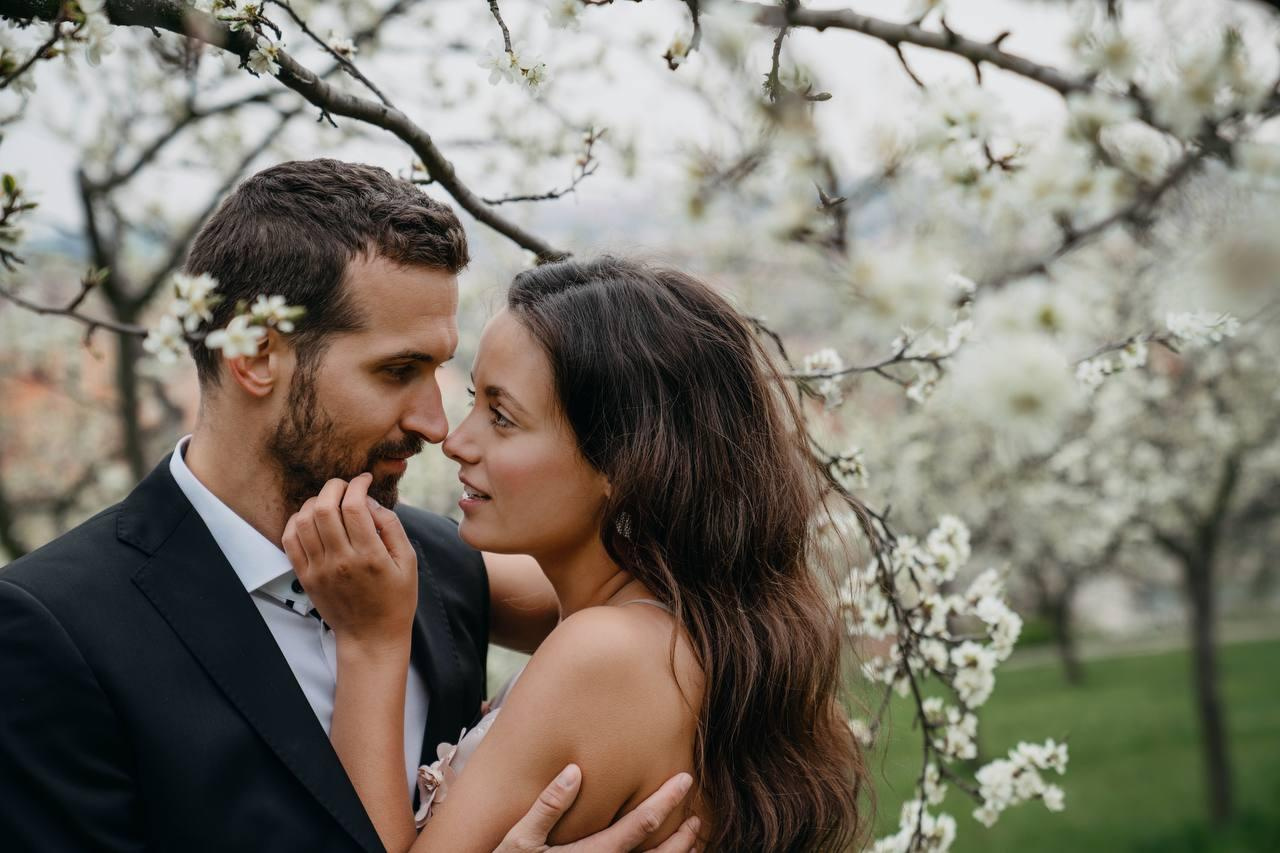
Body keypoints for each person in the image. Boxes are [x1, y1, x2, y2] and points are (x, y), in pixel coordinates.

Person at [0, 161, 697, 852]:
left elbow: (672, 596)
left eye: (439, 372)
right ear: (256, 354)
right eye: (398, 371)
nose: (435, 424)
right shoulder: (53, 630)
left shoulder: (435, 563)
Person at [286, 257, 872, 851]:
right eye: (473, 400)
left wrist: (372, 642)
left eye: (503, 417)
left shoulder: (604, 654)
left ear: (624, 464)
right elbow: (480, 583)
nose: (456, 441)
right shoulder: (695, 616)